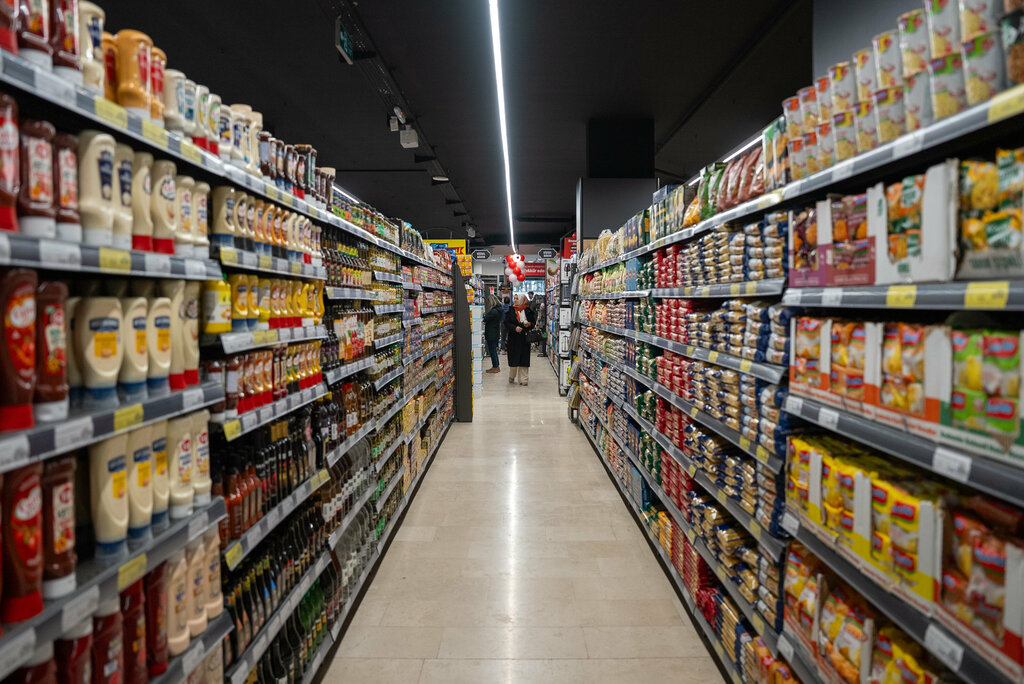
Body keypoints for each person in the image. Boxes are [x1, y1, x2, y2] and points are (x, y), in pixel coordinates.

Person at [503, 293, 536, 385]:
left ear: (522, 300)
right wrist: (514, 328)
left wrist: (529, 324)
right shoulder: (511, 310)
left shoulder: (528, 310)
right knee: (514, 358)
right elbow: (506, 323)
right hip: (513, 338)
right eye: (514, 298)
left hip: (525, 338)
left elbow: (533, 322)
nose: (515, 300)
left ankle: (524, 380)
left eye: (517, 298)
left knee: (524, 359)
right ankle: (512, 376)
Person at [483, 294, 503, 373]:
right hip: (495, 332)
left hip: (491, 333)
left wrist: (484, 315)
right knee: (493, 350)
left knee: (492, 351)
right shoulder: (499, 310)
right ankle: (496, 366)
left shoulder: (494, 311)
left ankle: (495, 367)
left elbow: (485, 318)